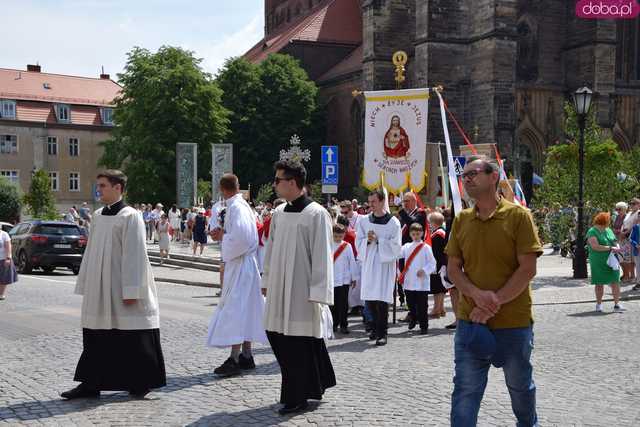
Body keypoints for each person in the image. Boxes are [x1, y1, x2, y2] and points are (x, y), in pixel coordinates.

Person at [446, 155, 542, 427]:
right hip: (471, 323)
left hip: (513, 323)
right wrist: (477, 296)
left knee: (521, 389)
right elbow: (453, 269)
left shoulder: (518, 216)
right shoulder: (461, 220)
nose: (466, 179)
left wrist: (493, 302)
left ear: (493, 177)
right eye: (464, 176)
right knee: (464, 393)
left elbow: (527, 269)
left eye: (472, 173)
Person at [61, 170, 165, 400]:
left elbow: (134, 256)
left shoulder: (131, 216)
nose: (99, 189)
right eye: (98, 185)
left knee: (132, 336)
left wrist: (131, 291)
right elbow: (90, 252)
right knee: (96, 336)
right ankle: (90, 384)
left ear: (118, 187)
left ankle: (139, 383)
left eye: (103, 185)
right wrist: (86, 283)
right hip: (99, 287)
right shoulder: (98, 215)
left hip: (121, 287)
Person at [262, 160, 336, 416]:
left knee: (299, 343)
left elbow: (323, 255)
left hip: (302, 292)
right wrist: (266, 280)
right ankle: (315, 383)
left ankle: (297, 396)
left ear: (292, 183)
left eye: (278, 180)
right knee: (279, 338)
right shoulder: (279, 212)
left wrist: (319, 292)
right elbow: (270, 249)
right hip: (279, 288)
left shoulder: (316, 214)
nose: (274, 184)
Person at [207, 174, 267, 377]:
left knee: (236, 310)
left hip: (240, 265)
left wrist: (222, 235)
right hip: (246, 265)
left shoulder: (236, 207)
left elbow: (240, 238)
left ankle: (234, 358)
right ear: (238, 186)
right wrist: (224, 233)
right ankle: (247, 355)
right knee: (247, 309)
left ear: (222, 190)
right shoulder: (243, 205)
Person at [356, 189, 402, 346]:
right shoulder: (364, 221)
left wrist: (379, 240)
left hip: (384, 264)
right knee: (370, 298)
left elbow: (396, 247)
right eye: (369, 202)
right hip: (370, 262)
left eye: (374, 202)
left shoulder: (393, 222)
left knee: (382, 300)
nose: (371, 205)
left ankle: (383, 333)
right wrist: (367, 241)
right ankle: (374, 328)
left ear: (383, 202)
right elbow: (358, 241)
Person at [398, 223, 436, 334]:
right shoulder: (406, 246)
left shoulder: (426, 247)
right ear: (410, 234)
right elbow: (397, 254)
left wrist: (424, 270)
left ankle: (424, 326)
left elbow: (432, 263)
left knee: (422, 305)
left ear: (422, 234)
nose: (415, 236)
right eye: (413, 234)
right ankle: (413, 318)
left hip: (421, 281)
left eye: (418, 234)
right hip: (409, 280)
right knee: (410, 303)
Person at [587, 212, 625, 312]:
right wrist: (610, 248)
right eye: (608, 220)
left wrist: (617, 247)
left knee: (615, 281)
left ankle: (617, 304)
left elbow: (614, 240)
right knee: (599, 283)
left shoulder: (608, 230)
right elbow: (595, 246)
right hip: (598, 260)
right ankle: (599, 305)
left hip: (612, 260)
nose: (609, 222)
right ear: (603, 221)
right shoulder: (592, 231)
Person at [397, 192, 427, 313]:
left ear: (414, 201)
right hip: (404, 251)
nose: (405, 204)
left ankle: (417, 312)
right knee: (406, 282)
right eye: (404, 201)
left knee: (415, 282)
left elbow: (413, 225)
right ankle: (411, 311)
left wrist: (402, 213)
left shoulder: (420, 213)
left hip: (416, 254)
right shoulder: (405, 215)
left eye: (407, 201)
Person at [331, 223, 358, 334]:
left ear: (344, 235)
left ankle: (344, 324)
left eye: (340, 236)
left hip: (344, 279)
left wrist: (354, 277)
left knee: (343, 304)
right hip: (332, 279)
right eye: (336, 236)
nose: (338, 238)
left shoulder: (347, 246)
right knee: (332, 304)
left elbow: (352, 261)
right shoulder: (328, 244)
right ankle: (333, 324)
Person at [428, 212, 448, 319]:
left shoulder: (437, 234)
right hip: (440, 263)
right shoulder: (441, 232)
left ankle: (437, 309)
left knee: (438, 287)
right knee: (440, 287)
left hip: (438, 263)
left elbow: (436, 251)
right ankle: (441, 308)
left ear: (433, 222)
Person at [621, 198, 640, 282]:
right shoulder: (628, 213)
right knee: (628, 257)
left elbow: (635, 224)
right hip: (625, 236)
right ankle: (632, 276)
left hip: (633, 236)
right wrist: (622, 232)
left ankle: (636, 277)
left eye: (634, 203)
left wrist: (626, 233)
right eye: (631, 203)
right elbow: (624, 223)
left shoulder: (638, 213)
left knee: (634, 257)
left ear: (638, 204)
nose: (631, 205)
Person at [0, 227, 17, 301]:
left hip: (3, 259)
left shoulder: (4, 234)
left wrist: (8, 258)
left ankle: (1, 294)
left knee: (3, 277)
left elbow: (8, 246)